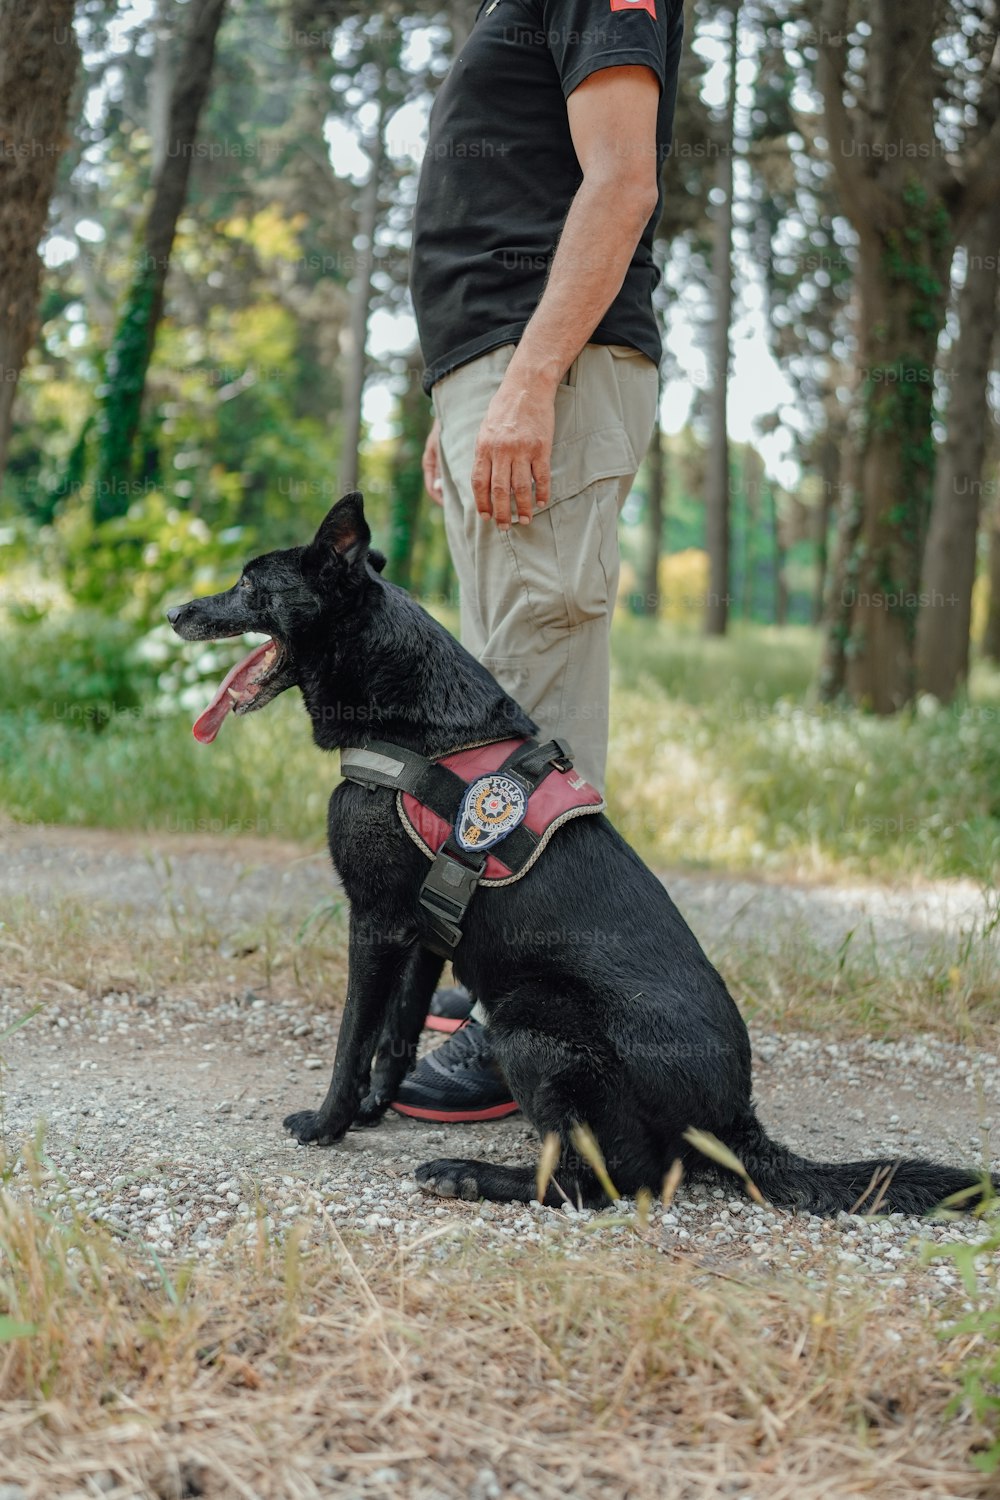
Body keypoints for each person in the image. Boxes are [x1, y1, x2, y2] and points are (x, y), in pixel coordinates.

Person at [392, 0, 685, 1121]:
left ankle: (552, 1023)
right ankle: (500, 996)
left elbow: (621, 183)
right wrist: (465, 385)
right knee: (500, 715)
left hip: (543, 371)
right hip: (503, 366)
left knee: (530, 727)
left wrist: (523, 381)